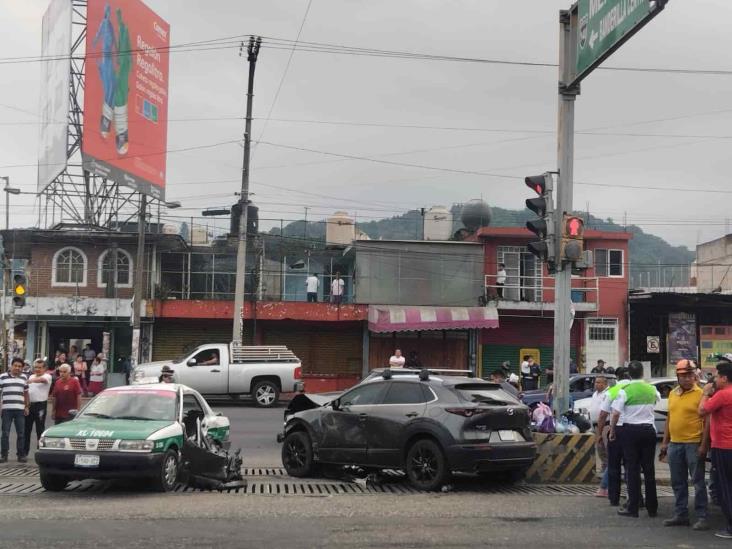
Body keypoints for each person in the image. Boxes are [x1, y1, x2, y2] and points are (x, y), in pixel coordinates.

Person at [660, 359, 709, 530]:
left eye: (690, 375)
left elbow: (707, 421)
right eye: (683, 376)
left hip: (693, 444)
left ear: (695, 375)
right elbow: (669, 418)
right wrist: (665, 442)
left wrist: (704, 445)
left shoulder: (701, 394)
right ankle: (681, 514)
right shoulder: (673, 394)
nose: (687, 379)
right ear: (678, 377)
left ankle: (702, 516)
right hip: (675, 444)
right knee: (677, 481)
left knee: (698, 482)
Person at [609, 360, 660, 518]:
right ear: (643, 373)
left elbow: (616, 413)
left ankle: (633, 508)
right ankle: (652, 508)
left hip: (630, 432)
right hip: (649, 431)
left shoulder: (625, 390)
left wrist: (612, 430)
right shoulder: (652, 389)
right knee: (649, 469)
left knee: (632, 469)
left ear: (629, 374)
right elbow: (656, 400)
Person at [699, 361, 732, 539]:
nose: (716, 379)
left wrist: (705, 394)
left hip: (724, 446)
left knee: (725, 486)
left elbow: (702, 411)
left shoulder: (723, 395)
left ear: (725, 378)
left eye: (718, 376)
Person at [0, 358, 29, 463]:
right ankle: (3, 455)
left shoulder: (24, 377)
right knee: (5, 433)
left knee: (21, 433)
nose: (17, 368)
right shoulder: (2, 377)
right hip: (6, 410)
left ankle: (21, 455)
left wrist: (26, 406)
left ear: (22, 368)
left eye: (20, 366)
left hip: (20, 410)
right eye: (15, 365)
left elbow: (26, 393)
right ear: (11, 366)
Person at [23, 359, 51, 458]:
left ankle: (41, 452)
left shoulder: (47, 376)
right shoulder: (31, 376)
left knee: (40, 430)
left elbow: (42, 380)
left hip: (41, 406)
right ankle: (24, 452)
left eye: (40, 367)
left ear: (44, 368)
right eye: (36, 367)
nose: (38, 369)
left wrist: (31, 380)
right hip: (30, 405)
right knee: (27, 430)